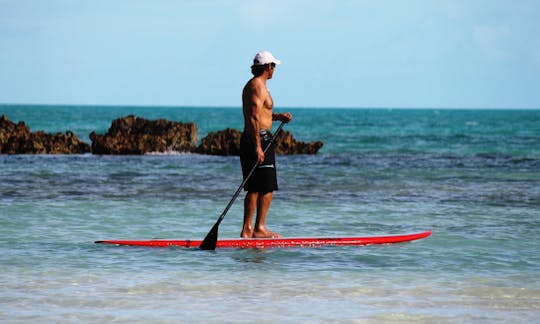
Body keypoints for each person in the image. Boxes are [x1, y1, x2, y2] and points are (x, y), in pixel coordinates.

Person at [240, 51, 293, 238]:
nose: (274, 70)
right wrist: (257, 146)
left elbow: (262, 113)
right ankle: (257, 228)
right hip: (258, 139)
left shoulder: (258, 85)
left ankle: (250, 229)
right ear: (268, 67)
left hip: (257, 138)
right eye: (274, 66)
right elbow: (254, 117)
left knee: (256, 186)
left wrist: (278, 117)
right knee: (266, 187)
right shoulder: (257, 86)